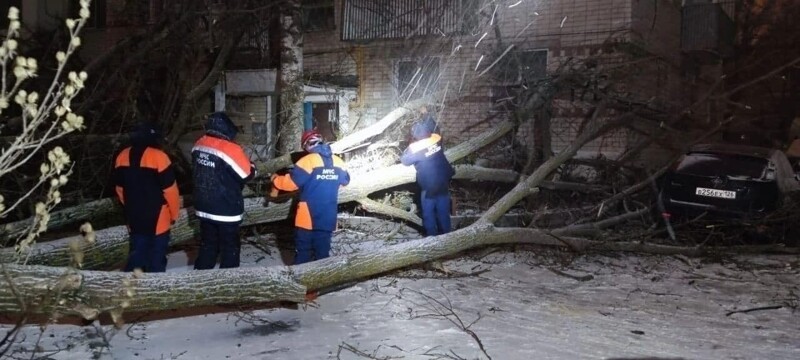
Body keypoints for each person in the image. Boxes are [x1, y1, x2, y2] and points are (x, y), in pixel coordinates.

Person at [271, 129, 350, 264]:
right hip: (328, 216)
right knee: (322, 254)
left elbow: (290, 184)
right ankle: (321, 282)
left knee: (303, 252)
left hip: (307, 217)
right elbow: (345, 182)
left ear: (307, 145)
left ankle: (303, 282)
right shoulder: (338, 162)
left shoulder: (306, 161)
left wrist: (275, 180)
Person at [192, 112, 255, 269]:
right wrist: (253, 166)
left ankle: (201, 280)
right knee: (230, 249)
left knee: (208, 245)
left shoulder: (199, 143)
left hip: (203, 207)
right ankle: (229, 284)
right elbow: (246, 174)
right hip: (226, 209)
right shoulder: (230, 148)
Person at [114, 123, 180, 272]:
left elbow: (119, 189)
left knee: (137, 254)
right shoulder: (160, 157)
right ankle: (155, 289)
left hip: (134, 216)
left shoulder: (122, 156)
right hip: (158, 217)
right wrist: (174, 214)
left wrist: (130, 206)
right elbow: (171, 191)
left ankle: (130, 288)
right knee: (156, 258)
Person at [400, 111, 455, 236]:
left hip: (429, 188)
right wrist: (426, 114)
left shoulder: (415, 148)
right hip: (443, 184)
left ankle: (432, 240)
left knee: (428, 215)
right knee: (443, 213)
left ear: (415, 136)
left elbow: (404, 160)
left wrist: (409, 147)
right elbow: (434, 128)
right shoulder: (436, 140)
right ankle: (446, 238)